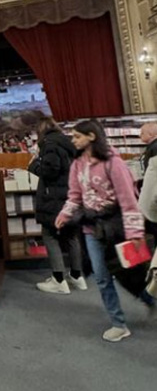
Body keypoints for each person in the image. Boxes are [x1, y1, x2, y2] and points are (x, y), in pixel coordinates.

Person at [56, 119, 153, 342]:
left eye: (77, 136)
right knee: (101, 277)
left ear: (91, 136)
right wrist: (64, 215)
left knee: (132, 274)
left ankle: (151, 300)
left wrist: (135, 233)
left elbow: (128, 200)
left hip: (117, 229)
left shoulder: (113, 163)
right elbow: (74, 196)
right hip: (92, 229)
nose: (73, 140)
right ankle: (118, 323)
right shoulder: (77, 164)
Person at [28, 118, 86, 294]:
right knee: (71, 235)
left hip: (54, 197)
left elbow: (50, 171)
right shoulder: (68, 143)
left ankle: (59, 280)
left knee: (49, 234)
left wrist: (33, 164)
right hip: (69, 194)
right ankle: (77, 276)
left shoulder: (50, 144)